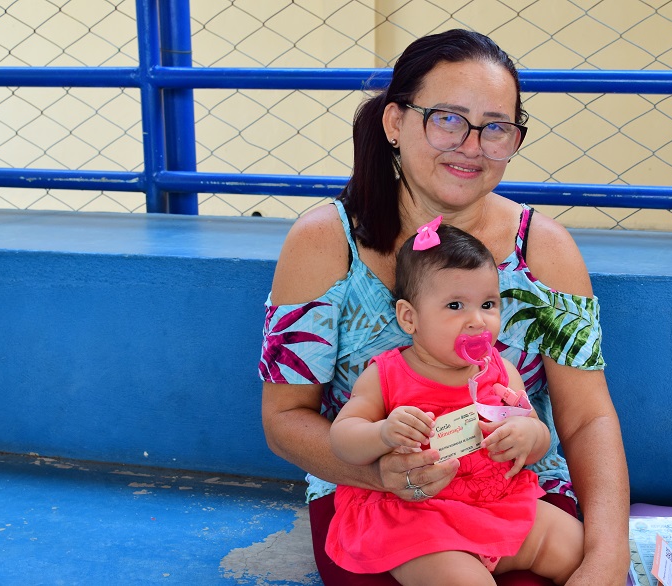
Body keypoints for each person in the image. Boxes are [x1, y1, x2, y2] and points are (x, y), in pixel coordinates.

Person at [260, 28, 630, 586]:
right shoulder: (324, 243)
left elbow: (587, 418)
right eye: (447, 119)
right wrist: (386, 474)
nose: (472, 146)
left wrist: (607, 557)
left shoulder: (544, 250)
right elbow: (284, 419)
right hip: (374, 498)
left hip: (514, 495)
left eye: (495, 128)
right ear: (394, 123)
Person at [325, 221, 585, 584]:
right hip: (419, 518)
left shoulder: (500, 371)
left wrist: (527, 435)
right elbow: (343, 439)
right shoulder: (386, 376)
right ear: (409, 317)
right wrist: (383, 433)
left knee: (578, 548)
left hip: (497, 504)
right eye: (455, 305)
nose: (477, 321)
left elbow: (536, 436)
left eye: (488, 304)